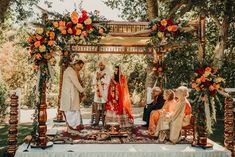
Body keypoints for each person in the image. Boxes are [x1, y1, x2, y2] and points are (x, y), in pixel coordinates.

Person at [60, 54, 85, 133]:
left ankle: (72, 128)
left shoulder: (70, 70)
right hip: (69, 95)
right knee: (71, 112)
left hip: (71, 94)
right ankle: (72, 128)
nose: (80, 69)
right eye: (80, 67)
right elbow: (76, 83)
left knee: (73, 111)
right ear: (76, 65)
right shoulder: (71, 71)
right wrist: (83, 91)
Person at [92, 60, 111, 126]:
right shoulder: (97, 72)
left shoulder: (107, 72)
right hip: (97, 92)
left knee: (103, 108)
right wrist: (96, 80)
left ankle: (104, 122)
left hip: (104, 92)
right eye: (100, 65)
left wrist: (101, 79)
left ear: (104, 65)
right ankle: (96, 122)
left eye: (102, 65)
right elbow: (94, 81)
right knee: (96, 107)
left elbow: (108, 82)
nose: (100, 66)